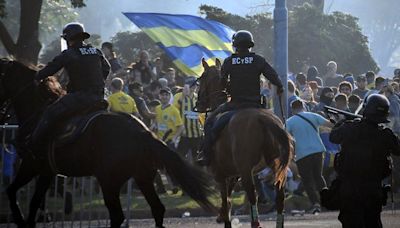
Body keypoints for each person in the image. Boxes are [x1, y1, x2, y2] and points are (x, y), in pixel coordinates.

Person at [199, 30, 283, 165]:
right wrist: (280, 86)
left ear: (235, 45)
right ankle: (283, 151)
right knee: (277, 124)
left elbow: (222, 83)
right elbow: (272, 75)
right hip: (256, 105)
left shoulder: (229, 61)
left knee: (209, 121)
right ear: (250, 45)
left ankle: (206, 155)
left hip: (235, 105)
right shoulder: (258, 60)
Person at [31, 22, 110, 148]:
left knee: (49, 112)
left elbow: (50, 69)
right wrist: (98, 82)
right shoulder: (96, 51)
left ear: (68, 39)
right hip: (100, 97)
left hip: (79, 97)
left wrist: (35, 77)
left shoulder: (69, 54)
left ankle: (33, 145)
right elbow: (107, 68)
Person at [330, 94, 400, 228]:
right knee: (372, 222)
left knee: (351, 222)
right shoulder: (385, 135)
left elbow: (334, 137)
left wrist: (340, 122)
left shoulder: (350, 127)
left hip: (350, 187)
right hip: (373, 188)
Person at [286, 100, 332, 214]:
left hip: (302, 154)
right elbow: (330, 125)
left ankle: (316, 203)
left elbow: (283, 136)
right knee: (318, 177)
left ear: (292, 110)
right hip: (318, 150)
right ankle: (326, 201)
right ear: (303, 107)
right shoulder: (313, 115)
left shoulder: (290, 121)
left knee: (307, 180)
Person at [174, 77, 204, 162]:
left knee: (198, 160)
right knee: (179, 159)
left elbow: (202, 115)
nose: (194, 86)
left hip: (197, 134)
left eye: (195, 84)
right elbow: (174, 111)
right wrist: (182, 96)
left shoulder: (198, 97)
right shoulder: (178, 96)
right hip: (184, 135)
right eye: (192, 84)